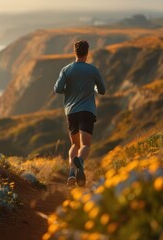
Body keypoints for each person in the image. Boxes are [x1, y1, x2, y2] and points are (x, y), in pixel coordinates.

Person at [54, 40, 106, 186]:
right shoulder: (93, 70)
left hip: (71, 112)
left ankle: (71, 173)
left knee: (74, 145)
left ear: (75, 52)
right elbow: (102, 90)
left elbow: (57, 89)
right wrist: (93, 88)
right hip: (87, 111)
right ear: (87, 53)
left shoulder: (66, 70)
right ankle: (80, 162)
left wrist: (68, 90)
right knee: (86, 145)